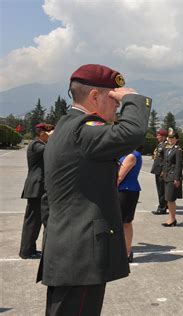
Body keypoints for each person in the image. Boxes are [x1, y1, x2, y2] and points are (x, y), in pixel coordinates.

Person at [37, 64, 151, 315]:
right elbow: (132, 133)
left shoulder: (63, 129)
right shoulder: (83, 129)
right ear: (95, 97)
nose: (117, 108)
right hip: (81, 256)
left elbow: (49, 197)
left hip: (67, 247)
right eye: (115, 101)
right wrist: (134, 99)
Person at [19, 123, 54, 259]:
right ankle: (26, 251)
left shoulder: (40, 144)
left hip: (39, 187)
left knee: (36, 220)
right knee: (32, 221)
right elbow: (51, 150)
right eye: (49, 133)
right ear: (42, 133)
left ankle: (30, 249)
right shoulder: (36, 145)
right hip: (36, 187)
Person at [118, 146, 143, 263]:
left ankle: (127, 252)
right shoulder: (124, 153)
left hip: (126, 191)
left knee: (125, 222)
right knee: (120, 222)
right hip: (122, 191)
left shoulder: (132, 155)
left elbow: (119, 177)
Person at [161, 128, 183, 227]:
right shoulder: (168, 148)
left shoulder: (178, 150)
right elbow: (164, 161)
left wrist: (177, 178)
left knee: (170, 199)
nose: (170, 139)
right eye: (169, 137)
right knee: (168, 198)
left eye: (172, 138)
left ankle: (172, 219)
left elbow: (179, 165)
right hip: (167, 176)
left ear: (176, 139)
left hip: (173, 176)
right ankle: (171, 218)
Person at [151, 129, 168, 215]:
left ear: (163, 136)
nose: (157, 137)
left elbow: (166, 160)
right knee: (160, 189)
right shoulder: (160, 145)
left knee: (161, 190)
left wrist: (164, 170)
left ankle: (162, 208)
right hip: (158, 169)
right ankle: (163, 205)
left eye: (159, 135)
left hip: (161, 171)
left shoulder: (165, 145)